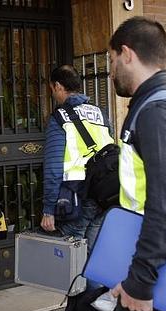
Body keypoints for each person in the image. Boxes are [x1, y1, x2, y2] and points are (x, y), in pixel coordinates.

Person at [108, 17, 166, 311]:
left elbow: (164, 203)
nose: (111, 70)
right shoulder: (163, 103)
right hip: (160, 256)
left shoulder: (157, 112)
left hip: (159, 268)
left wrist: (141, 281)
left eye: (113, 59)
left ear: (127, 54)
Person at [40, 65, 113, 252]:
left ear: (57, 86)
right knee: (95, 255)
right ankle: (94, 281)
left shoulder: (59, 118)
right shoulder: (100, 113)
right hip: (103, 194)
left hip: (76, 196)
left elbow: (54, 167)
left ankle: (77, 282)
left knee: (70, 258)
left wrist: (48, 208)